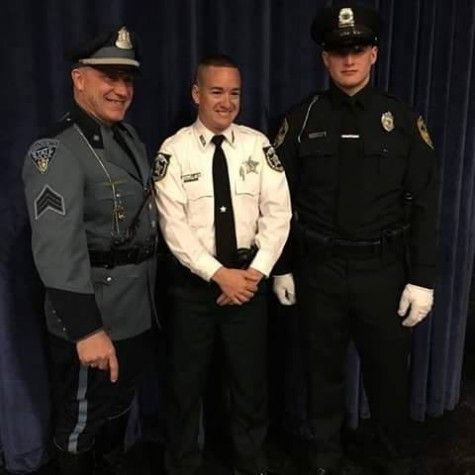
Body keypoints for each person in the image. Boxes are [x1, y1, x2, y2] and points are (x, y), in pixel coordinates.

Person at [272, 6, 438, 475]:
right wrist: (283, 265)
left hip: (382, 273)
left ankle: (396, 458)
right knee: (320, 374)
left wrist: (423, 278)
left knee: (388, 378)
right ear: (325, 58)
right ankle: (325, 458)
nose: (349, 60)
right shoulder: (301, 119)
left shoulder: (402, 121)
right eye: (339, 51)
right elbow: (276, 201)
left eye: (358, 50)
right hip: (319, 269)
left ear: (374, 54)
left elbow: (426, 203)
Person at [22, 26, 158, 474]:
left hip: (135, 309)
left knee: (119, 405)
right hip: (93, 318)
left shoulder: (129, 139)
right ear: (80, 79)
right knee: (81, 419)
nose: (121, 90)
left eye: (128, 80)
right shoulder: (56, 152)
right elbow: (56, 249)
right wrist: (85, 330)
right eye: (109, 77)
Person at [154, 54, 291, 475]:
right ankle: (181, 463)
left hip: (248, 284)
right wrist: (217, 274)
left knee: (250, 384)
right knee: (185, 384)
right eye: (216, 92)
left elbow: (279, 213)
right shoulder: (173, 152)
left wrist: (256, 272)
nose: (226, 102)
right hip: (193, 289)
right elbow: (172, 226)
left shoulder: (258, 145)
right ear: (197, 94)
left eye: (234, 93)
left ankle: (250, 462)